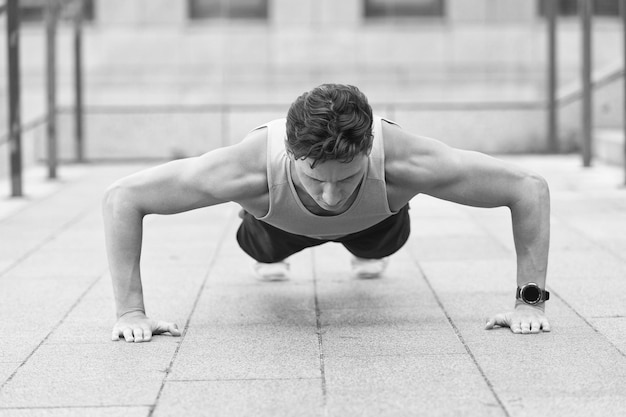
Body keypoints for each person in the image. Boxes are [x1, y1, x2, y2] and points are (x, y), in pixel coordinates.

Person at [103, 83, 551, 343]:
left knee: (381, 240)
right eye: (317, 180)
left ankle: (366, 248)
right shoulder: (245, 168)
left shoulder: (408, 161)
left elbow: (527, 189)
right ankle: (269, 241)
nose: (332, 197)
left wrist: (527, 302)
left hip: (378, 225)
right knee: (262, 246)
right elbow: (123, 198)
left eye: (349, 178)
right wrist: (130, 313)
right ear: (291, 154)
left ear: (370, 150)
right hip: (276, 229)